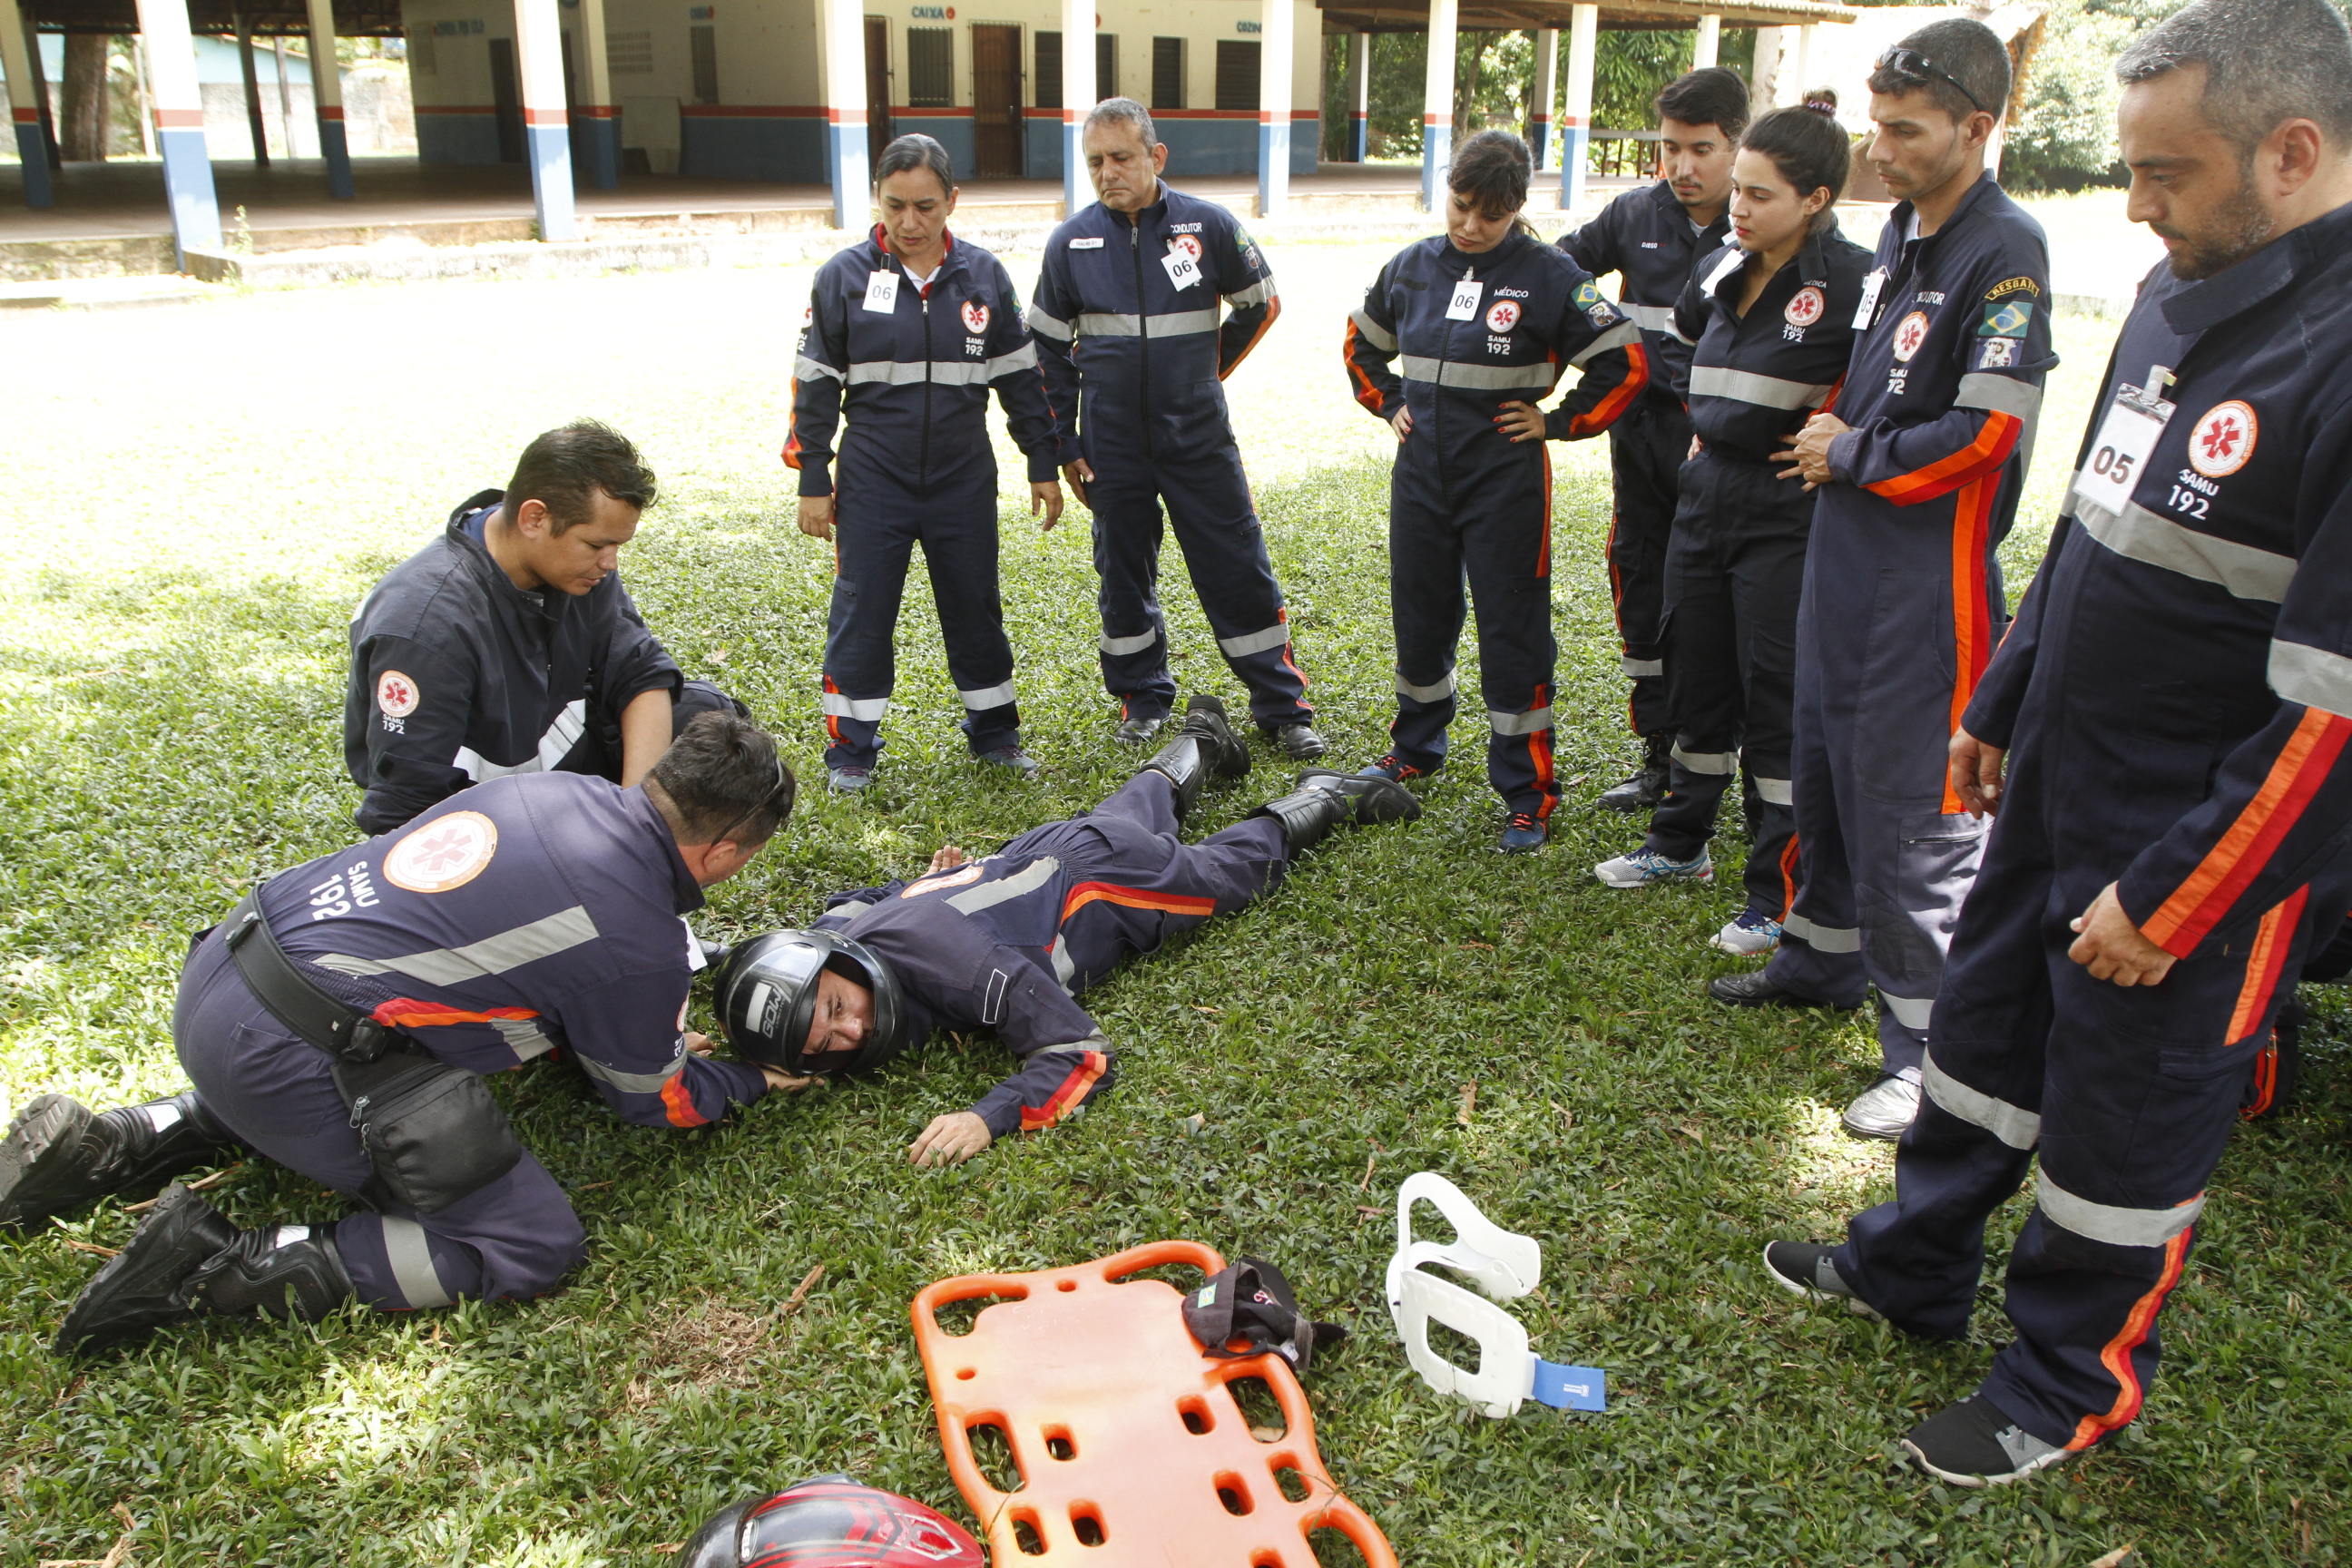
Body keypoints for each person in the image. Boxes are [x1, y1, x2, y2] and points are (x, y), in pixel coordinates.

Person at [1761, 0, 2352, 1485]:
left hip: (2190, 843)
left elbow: (2331, 716)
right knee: (1981, 1041)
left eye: (2165, 174)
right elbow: (2093, 530)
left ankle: (2062, 1381)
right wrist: (1997, 698)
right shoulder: (2178, 294)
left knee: (2121, 1120)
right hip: (2053, 777)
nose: (2135, 210)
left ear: (2291, 154)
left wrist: (2176, 896)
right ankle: (1910, 1262)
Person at [29, 713, 799, 1356]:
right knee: (530, 1247)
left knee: (348, 1033)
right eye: (750, 857)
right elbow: (654, 1101)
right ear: (725, 848)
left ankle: (116, 1141)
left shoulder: (553, 790)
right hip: (287, 1058)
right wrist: (747, 1078)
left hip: (221, 974)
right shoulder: (638, 937)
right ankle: (218, 1265)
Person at [1712, 21, 2055, 1142]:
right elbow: (1871, 380)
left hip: (1926, 583)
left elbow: (1989, 434)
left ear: (1976, 127)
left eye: (1906, 131)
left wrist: (1848, 451)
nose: (1883, 148)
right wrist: (1835, 433)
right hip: (1844, 561)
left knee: (1916, 822)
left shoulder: (2005, 251)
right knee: (1824, 769)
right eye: (1878, 125)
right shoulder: (1902, 232)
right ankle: (1820, 960)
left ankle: (1926, 1052)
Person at [712, 697, 1417, 1166]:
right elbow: (851, 902)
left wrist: (989, 1117)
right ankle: (1203, 737)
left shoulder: (965, 967)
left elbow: (1081, 1051)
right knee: (1136, 806)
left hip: (1106, 881)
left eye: (837, 1009)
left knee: (1227, 875)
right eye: (824, 1045)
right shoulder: (835, 932)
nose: (851, 1033)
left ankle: (1327, 794)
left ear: (839, 966)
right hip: (1047, 849)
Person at [1593, 102, 1875, 961]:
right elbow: (1685, 341)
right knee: (1698, 673)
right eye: (1738, 190)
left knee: (1774, 697)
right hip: (1704, 487)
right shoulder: (1720, 263)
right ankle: (1681, 844)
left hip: (1784, 507)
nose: (1738, 207)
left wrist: (1833, 436)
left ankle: (1775, 892)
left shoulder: (1857, 280)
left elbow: (1881, 385)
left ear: (1816, 197)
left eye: (1760, 194)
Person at [1342, 131, 1651, 852]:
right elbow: (1361, 345)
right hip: (1420, 476)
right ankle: (1415, 748)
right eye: (1460, 206)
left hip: (1505, 482)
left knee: (1512, 636)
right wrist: (1389, 403)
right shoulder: (1413, 267)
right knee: (1420, 617)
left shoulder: (1551, 275)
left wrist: (1559, 422)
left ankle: (1528, 792)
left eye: (1489, 214)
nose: (1470, 226)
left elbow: (1626, 362)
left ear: (1516, 209)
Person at [1029, 99, 1324, 760]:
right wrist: (1066, 443)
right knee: (1122, 571)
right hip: (1110, 444)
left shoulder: (1209, 226)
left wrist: (1203, 371)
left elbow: (1261, 303)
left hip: (1198, 437)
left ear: (1156, 157)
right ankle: (1143, 697)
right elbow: (1045, 351)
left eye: (1122, 158)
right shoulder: (1069, 243)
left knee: (1237, 565)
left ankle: (1283, 707)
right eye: (1096, 162)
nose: (1109, 173)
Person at [785, 133, 1068, 794]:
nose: (910, 223)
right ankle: (851, 750)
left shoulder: (984, 277)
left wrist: (1041, 461)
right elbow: (815, 385)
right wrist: (811, 478)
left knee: (975, 607)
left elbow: (1022, 380)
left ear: (952, 203)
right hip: (872, 479)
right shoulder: (842, 278)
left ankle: (996, 736)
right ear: (877, 200)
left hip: (962, 479)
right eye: (895, 206)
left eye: (926, 207)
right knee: (862, 611)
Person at [345, 421, 744, 834]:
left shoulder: (576, 572)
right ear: (534, 518)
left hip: (562, 778)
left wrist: (633, 825)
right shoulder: (428, 624)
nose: (611, 564)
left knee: (707, 720)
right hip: (478, 823)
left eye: (617, 546)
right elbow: (405, 810)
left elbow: (639, 671)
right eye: (596, 545)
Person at [1557, 66, 1748, 814]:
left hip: (1728, 451)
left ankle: (1727, 750)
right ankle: (1658, 753)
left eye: (1702, 148)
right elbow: (1553, 271)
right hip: (1640, 439)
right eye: (1670, 147)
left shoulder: (1764, 219)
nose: (1683, 167)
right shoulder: (1633, 213)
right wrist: (1604, 332)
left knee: (1724, 600)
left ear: (1738, 146)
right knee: (1642, 585)